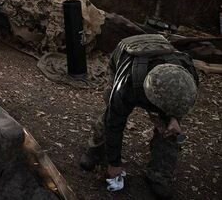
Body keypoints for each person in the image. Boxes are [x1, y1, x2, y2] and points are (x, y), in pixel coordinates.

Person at [79, 34, 199, 199]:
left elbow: (180, 104)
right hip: (126, 53)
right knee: (110, 114)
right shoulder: (126, 85)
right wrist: (114, 163)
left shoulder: (187, 75)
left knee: (170, 133)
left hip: (160, 57)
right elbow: (114, 123)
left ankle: (159, 175)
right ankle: (95, 150)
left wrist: (174, 119)